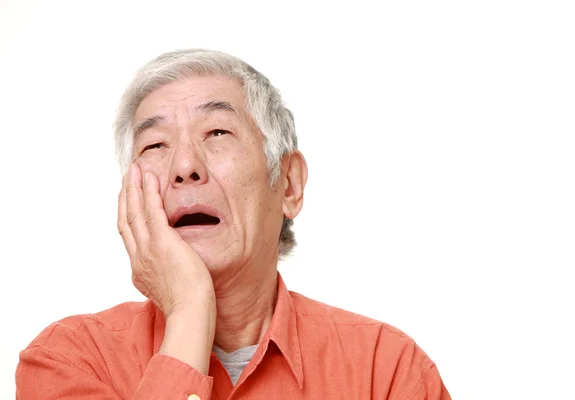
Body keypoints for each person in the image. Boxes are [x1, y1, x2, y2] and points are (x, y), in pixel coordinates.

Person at [15, 49, 451, 399]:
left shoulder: (387, 371)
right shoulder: (67, 360)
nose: (184, 166)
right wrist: (188, 310)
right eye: (155, 144)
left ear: (288, 185)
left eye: (218, 133)